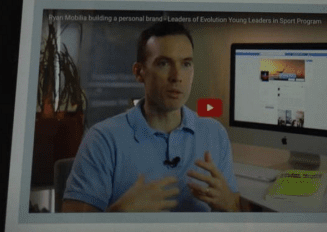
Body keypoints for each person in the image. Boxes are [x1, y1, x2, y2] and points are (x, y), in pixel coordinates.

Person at [62, 21, 240, 213]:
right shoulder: (103, 139)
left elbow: (236, 214)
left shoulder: (215, 134)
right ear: (139, 72)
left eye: (186, 64)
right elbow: (73, 229)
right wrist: (119, 215)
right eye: (163, 63)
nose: (177, 76)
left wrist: (230, 205)